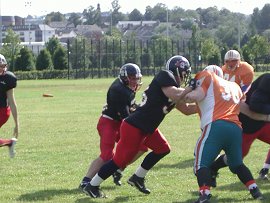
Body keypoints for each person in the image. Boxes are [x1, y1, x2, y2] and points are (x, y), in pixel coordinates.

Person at [82, 55, 195, 198]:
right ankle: (92, 185)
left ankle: (137, 178)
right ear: (178, 70)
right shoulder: (165, 76)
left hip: (147, 127)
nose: (186, 76)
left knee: (163, 149)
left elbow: (186, 109)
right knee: (119, 160)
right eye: (185, 73)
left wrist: (206, 106)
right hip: (134, 126)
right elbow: (174, 93)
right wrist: (193, 89)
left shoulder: (177, 90)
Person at [183, 65, 263, 202]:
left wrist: (185, 94)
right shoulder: (234, 86)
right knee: (237, 163)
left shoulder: (207, 77)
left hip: (216, 126)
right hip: (236, 129)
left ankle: (205, 194)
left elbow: (196, 96)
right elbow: (245, 108)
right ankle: (255, 190)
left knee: (200, 163)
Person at [79, 63, 148, 189]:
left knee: (142, 146)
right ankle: (86, 180)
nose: (135, 81)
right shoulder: (119, 90)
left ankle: (118, 169)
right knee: (107, 155)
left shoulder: (126, 88)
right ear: (124, 77)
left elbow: (129, 110)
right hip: (108, 123)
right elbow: (126, 116)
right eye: (132, 78)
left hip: (120, 122)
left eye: (136, 78)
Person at [211, 73, 270, 182]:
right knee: (234, 158)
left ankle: (265, 170)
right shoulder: (267, 80)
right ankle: (213, 168)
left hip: (263, 123)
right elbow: (255, 105)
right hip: (248, 125)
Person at [0, 54, 18, 158]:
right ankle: (10, 143)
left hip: (2, 111)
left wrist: (17, 124)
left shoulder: (8, 78)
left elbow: (12, 102)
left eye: (3, 66)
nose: (2, 69)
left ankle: (10, 143)